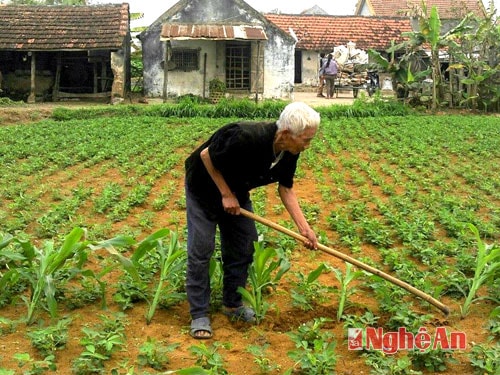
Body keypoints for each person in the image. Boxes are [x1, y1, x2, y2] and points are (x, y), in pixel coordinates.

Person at [184, 101, 320, 339]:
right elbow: (206, 155)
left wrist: (304, 229)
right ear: (286, 134)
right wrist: (225, 194)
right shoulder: (246, 137)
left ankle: (232, 304)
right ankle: (199, 313)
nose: (308, 145)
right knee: (202, 248)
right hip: (203, 189)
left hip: (236, 192)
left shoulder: (289, 152)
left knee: (244, 243)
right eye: (306, 140)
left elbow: (286, 189)